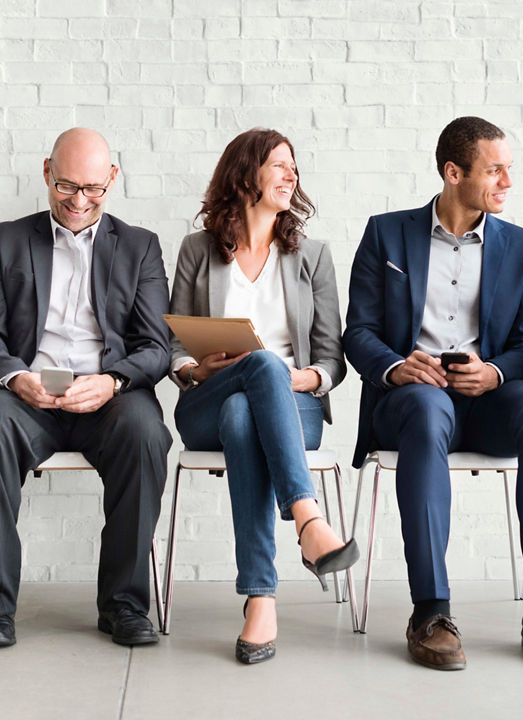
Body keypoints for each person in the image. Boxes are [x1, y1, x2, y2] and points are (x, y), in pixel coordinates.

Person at [342, 116, 523, 670]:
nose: (506, 182)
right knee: (428, 410)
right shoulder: (386, 233)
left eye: (508, 170)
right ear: (453, 172)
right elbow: (358, 330)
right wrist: (397, 367)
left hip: (487, 399)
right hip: (411, 399)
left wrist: (494, 372)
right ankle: (430, 611)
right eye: (494, 170)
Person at [0, 128, 171, 649]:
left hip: (110, 394)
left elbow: (157, 345)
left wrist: (112, 380)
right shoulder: (6, 239)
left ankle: (123, 605)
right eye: (67, 186)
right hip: (27, 392)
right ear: (47, 171)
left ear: (113, 179)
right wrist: (17, 378)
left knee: (147, 434)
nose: (79, 201)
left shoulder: (140, 246)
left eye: (94, 189)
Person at [168, 128, 357, 664]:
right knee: (246, 384)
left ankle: (260, 597)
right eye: (277, 164)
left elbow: (330, 360)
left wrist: (301, 378)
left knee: (247, 407)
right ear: (244, 173)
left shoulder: (312, 257)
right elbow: (171, 345)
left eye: (293, 166)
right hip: (208, 396)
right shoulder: (197, 250)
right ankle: (308, 521)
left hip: (292, 406)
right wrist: (194, 366)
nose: (290, 174)